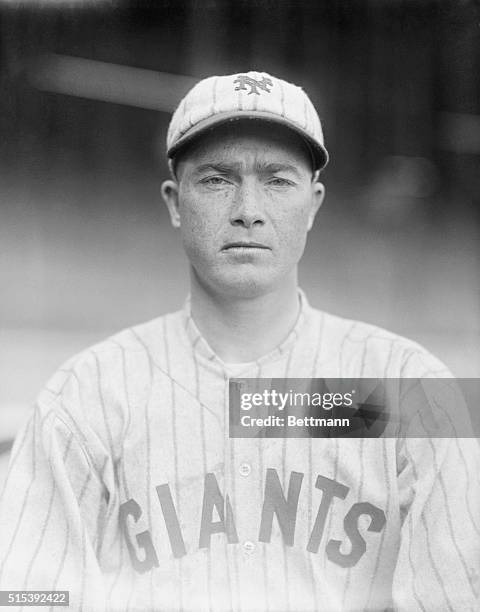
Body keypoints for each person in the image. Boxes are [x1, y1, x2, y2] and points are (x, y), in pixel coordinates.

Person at [0, 71, 478, 612]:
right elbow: (29, 597)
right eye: (216, 179)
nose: (248, 209)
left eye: (277, 180)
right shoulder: (86, 397)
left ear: (314, 204)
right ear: (175, 203)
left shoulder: (417, 394)